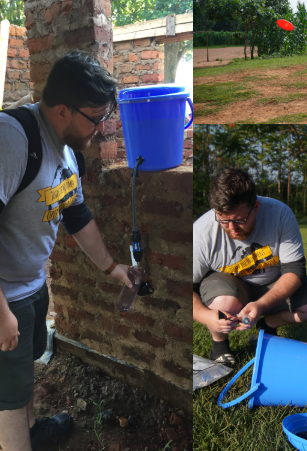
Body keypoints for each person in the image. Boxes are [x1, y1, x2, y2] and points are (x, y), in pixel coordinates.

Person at [0, 50, 134, 451]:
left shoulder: (64, 147)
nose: (101, 127)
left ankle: (33, 430)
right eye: (95, 118)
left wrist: (114, 269)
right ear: (62, 110)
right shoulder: (11, 139)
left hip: (31, 286)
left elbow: (76, 215)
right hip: (5, 295)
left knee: (24, 373)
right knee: (6, 398)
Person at [193, 168, 307, 365]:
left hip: (274, 281)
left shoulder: (280, 214)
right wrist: (206, 316)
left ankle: (267, 324)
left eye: (240, 219)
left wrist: (261, 305)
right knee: (224, 304)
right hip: (230, 285)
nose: (232, 228)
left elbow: (295, 271)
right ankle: (220, 346)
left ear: (256, 207)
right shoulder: (201, 233)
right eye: (223, 220)